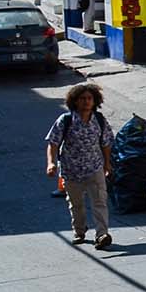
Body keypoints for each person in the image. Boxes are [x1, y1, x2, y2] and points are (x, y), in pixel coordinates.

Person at [46, 82, 114, 248]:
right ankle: (79, 231)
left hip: (94, 168)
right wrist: (51, 163)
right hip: (71, 170)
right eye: (82, 98)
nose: (86, 101)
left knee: (99, 202)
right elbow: (53, 143)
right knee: (76, 204)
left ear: (94, 101)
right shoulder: (66, 120)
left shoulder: (99, 120)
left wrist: (107, 164)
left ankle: (102, 234)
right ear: (75, 101)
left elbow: (106, 143)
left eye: (89, 98)